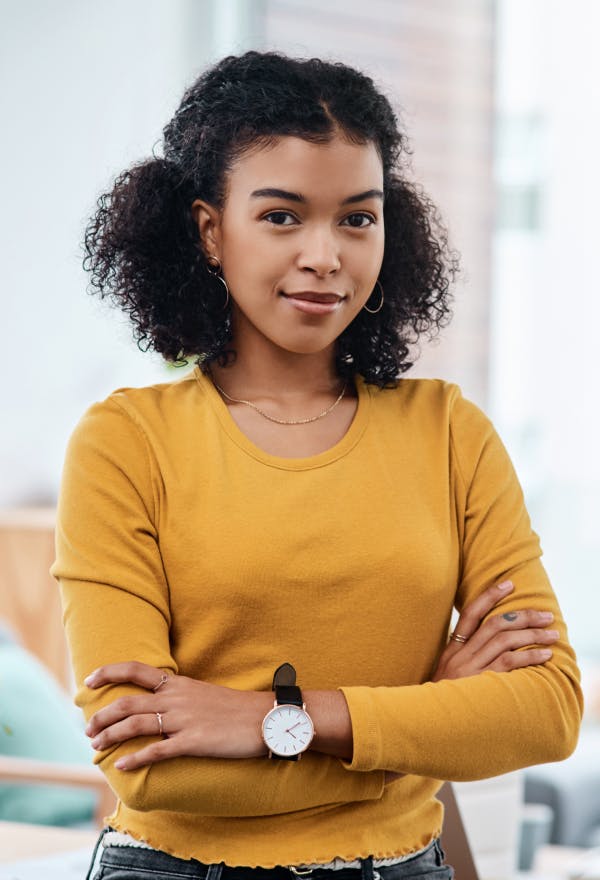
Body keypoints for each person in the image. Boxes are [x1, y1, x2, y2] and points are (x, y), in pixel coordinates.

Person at [51, 51, 582, 880]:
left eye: (357, 219)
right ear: (209, 230)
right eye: (283, 216)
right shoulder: (126, 443)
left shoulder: (450, 433)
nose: (326, 256)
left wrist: (272, 719)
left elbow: (547, 713)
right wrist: (425, 719)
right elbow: (151, 770)